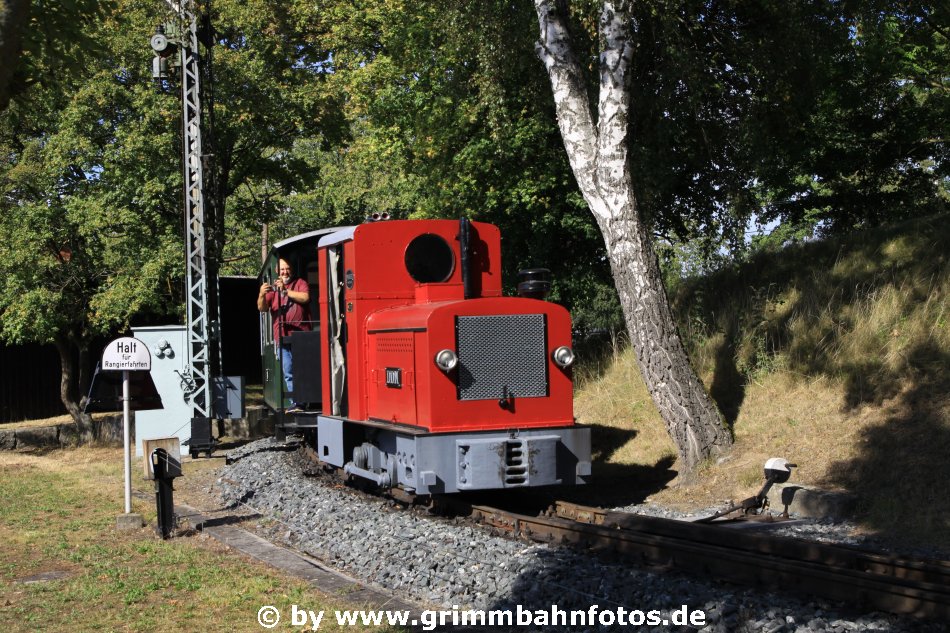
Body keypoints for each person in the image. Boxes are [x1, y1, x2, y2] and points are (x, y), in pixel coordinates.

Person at [257, 258, 310, 413]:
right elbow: (262, 308)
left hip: (302, 335)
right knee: (288, 371)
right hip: (281, 336)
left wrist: (285, 291)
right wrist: (261, 294)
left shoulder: (300, 283)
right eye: (282, 269)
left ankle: (305, 401)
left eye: (287, 269)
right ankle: (296, 403)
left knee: (302, 370)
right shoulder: (272, 289)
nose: (285, 272)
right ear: (276, 271)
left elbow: (305, 298)